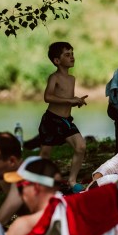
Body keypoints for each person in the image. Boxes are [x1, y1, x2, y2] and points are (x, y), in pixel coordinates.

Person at [24, 41, 87, 189]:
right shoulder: (54, 77)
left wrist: (75, 101)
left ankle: (72, 181)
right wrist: (69, 100)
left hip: (66, 121)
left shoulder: (72, 79)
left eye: (72, 54)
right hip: (51, 120)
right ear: (57, 61)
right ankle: (36, 182)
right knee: (45, 154)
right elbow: (48, 97)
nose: (72, 57)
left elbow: (65, 99)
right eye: (67, 55)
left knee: (81, 146)